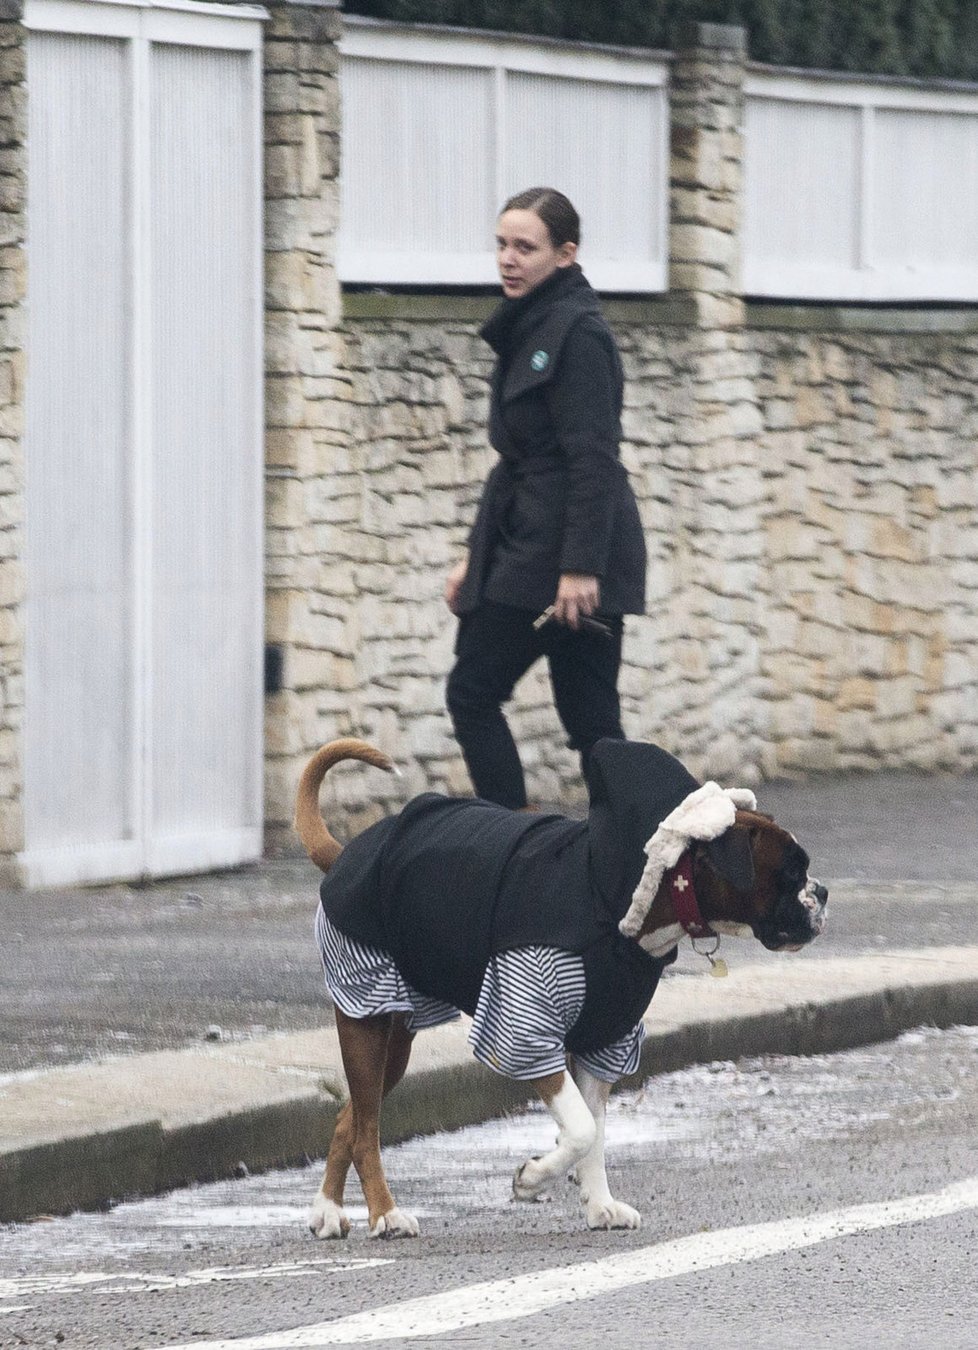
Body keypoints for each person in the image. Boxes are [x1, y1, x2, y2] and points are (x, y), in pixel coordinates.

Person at [444, 187, 646, 808]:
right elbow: (526, 462)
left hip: (564, 559)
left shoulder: (577, 335)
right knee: (593, 725)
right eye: (502, 245)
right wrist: (473, 562)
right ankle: (636, 856)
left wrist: (581, 568)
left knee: (474, 692)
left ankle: (508, 843)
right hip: (537, 548)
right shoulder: (531, 322)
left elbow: (593, 460)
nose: (508, 259)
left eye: (525, 247)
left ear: (565, 254)